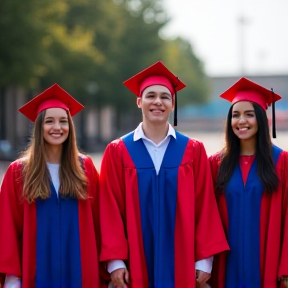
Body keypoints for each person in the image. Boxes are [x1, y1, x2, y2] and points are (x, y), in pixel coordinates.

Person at [99, 61, 229, 288]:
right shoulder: (118, 151)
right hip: (134, 261)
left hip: (183, 260)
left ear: (172, 104)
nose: (157, 101)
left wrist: (204, 260)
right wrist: (115, 261)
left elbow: (204, 205)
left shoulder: (193, 150)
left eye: (165, 97)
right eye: (150, 96)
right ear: (139, 101)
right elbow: (110, 208)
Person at [0, 84, 102, 288]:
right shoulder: (19, 172)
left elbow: (99, 222)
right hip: (36, 274)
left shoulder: (85, 168)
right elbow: (8, 227)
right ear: (39, 127)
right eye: (49, 121)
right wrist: (12, 278)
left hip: (80, 272)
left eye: (63, 121)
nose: (57, 127)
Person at [209, 77, 288, 288]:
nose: (241, 121)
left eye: (249, 114)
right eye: (235, 115)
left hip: (267, 265)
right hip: (225, 265)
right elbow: (205, 217)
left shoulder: (282, 162)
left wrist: (286, 268)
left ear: (262, 119)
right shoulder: (215, 165)